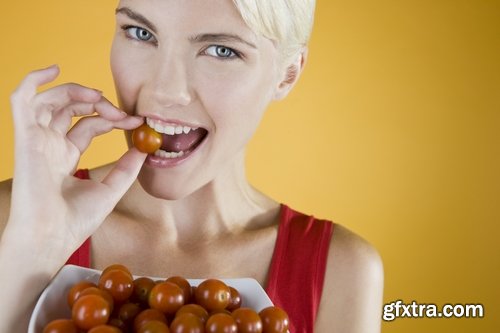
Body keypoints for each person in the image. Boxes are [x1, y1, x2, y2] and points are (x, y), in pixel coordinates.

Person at [0, 0, 383, 331]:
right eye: (140, 33)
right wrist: (34, 251)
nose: (166, 90)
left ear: (287, 74)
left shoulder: (339, 271)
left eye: (221, 51)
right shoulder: (12, 218)